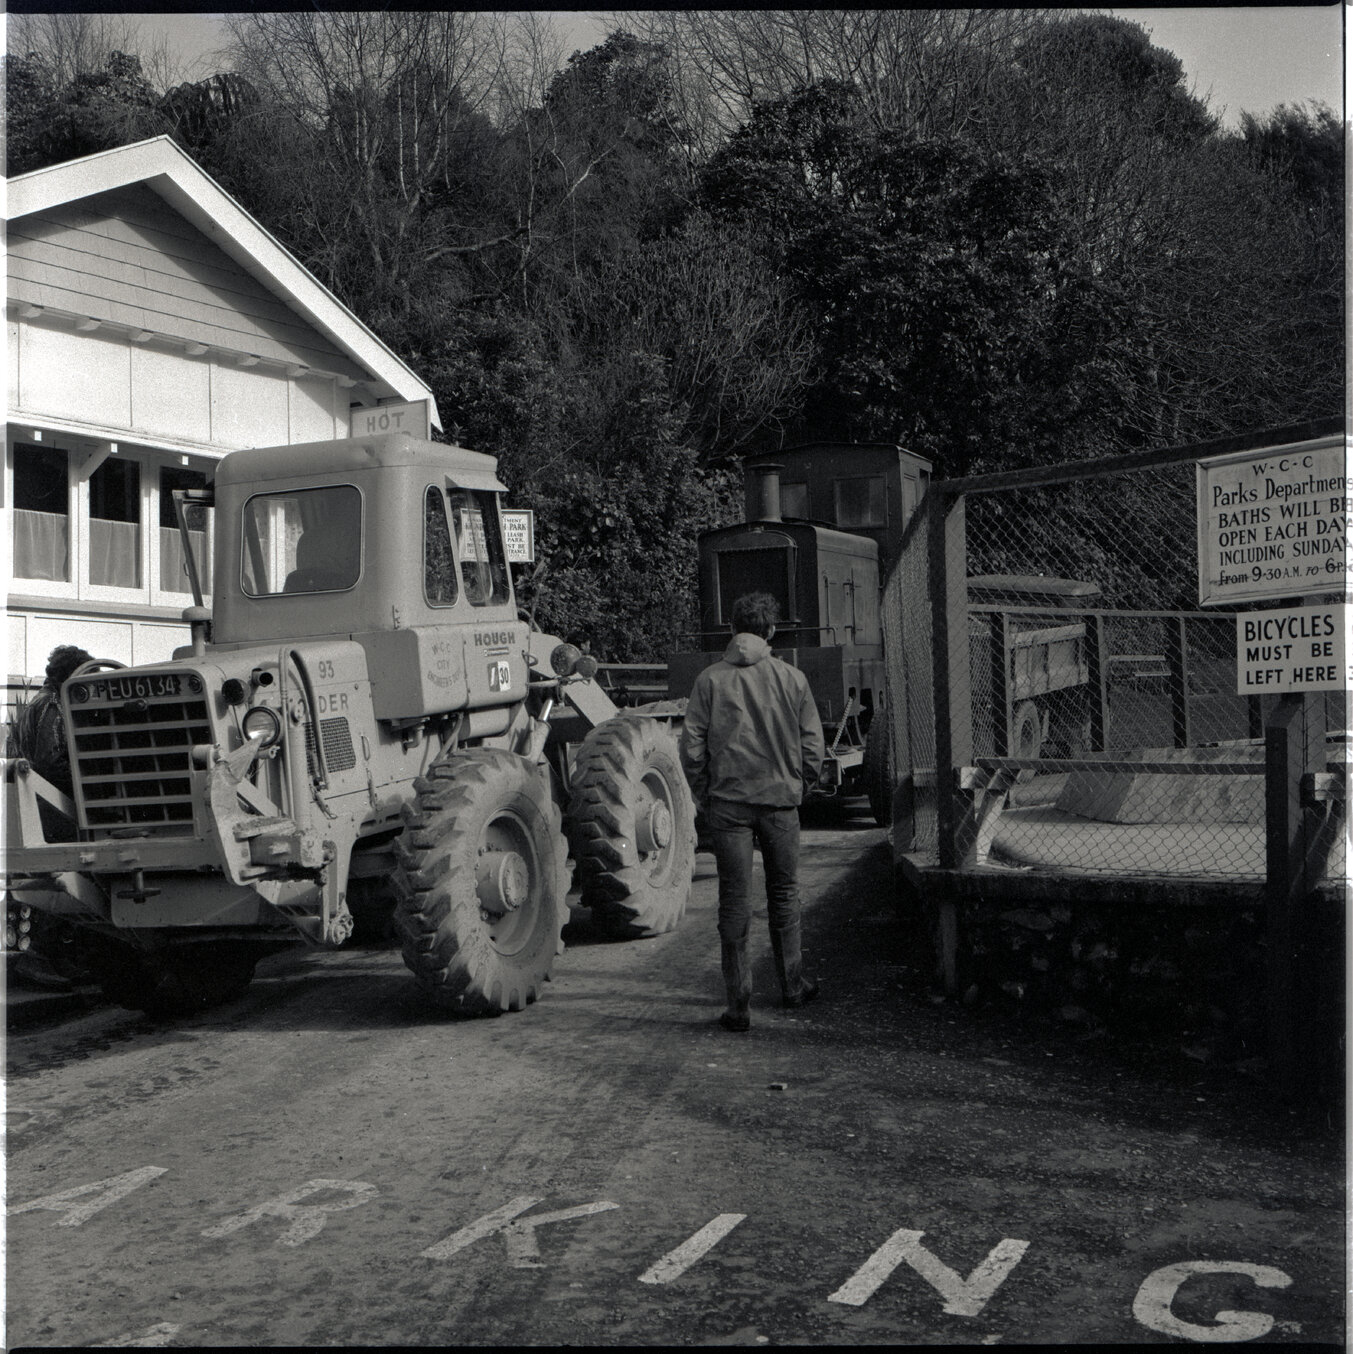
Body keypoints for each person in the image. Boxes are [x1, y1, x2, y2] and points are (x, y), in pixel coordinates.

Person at [679, 592, 825, 1032]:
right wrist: (801, 786)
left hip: (728, 806)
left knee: (734, 900)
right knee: (784, 895)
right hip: (780, 803)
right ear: (772, 631)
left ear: (732, 630)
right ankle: (792, 987)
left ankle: (739, 1004)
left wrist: (706, 794)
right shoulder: (793, 679)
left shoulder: (709, 681)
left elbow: (691, 747)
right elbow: (813, 746)